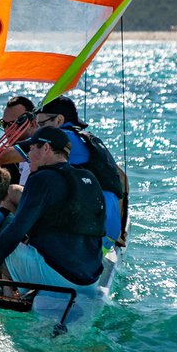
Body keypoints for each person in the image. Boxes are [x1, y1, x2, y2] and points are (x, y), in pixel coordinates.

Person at [0, 127, 106, 294]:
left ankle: (1, 296)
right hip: (91, 279)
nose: (28, 155)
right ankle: (12, 290)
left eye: (31, 148)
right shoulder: (89, 178)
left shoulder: (41, 178)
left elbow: (15, 232)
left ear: (46, 148)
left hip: (59, 279)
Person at [31, 95, 127, 247]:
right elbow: (121, 178)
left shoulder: (61, 138)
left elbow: (5, 156)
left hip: (93, 239)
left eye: (41, 124)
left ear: (59, 120)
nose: (37, 130)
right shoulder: (87, 140)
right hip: (109, 235)